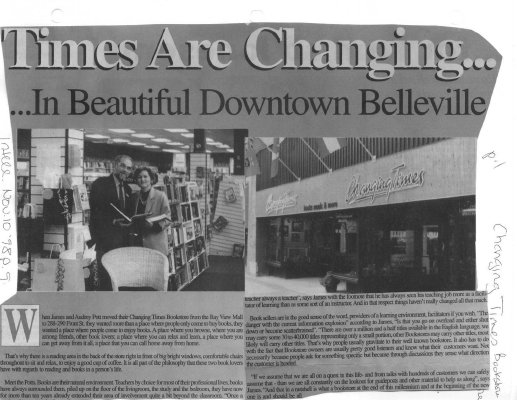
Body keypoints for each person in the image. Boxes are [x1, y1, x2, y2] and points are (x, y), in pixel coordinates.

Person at [88, 154, 134, 290]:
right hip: (105, 241)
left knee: (119, 280)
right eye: (123, 166)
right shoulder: (100, 184)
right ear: (115, 166)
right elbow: (95, 213)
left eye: (129, 168)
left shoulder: (128, 189)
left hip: (122, 242)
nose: (125, 170)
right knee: (106, 280)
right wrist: (113, 221)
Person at [129, 167, 171, 255]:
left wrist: (154, 226)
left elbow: (168, 218)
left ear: (151, 179)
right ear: (136, 180)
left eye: (145, 176)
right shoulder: (134, 197)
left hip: (155, 244)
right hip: (138, 243)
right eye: (139, 177)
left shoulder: (160, 196)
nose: (142, 179)